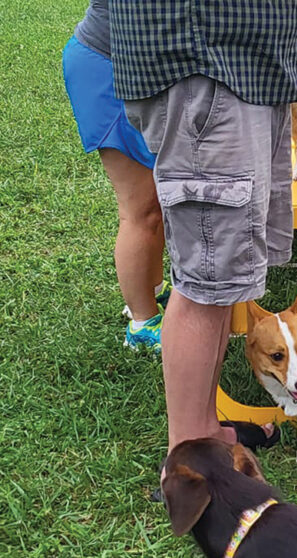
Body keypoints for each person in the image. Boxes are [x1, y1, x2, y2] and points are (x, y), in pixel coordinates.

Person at [108, 1, 297, 463]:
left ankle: (202, 431)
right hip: (210, 61)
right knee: (206, 282)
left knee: (223, 275)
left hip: (245, 64)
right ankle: (191, 462)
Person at [62, 0, 170, 352]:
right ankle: (141, 324)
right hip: (108, 71)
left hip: (133, 69)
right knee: (141, 210)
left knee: (159, 201)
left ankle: (153, 289)